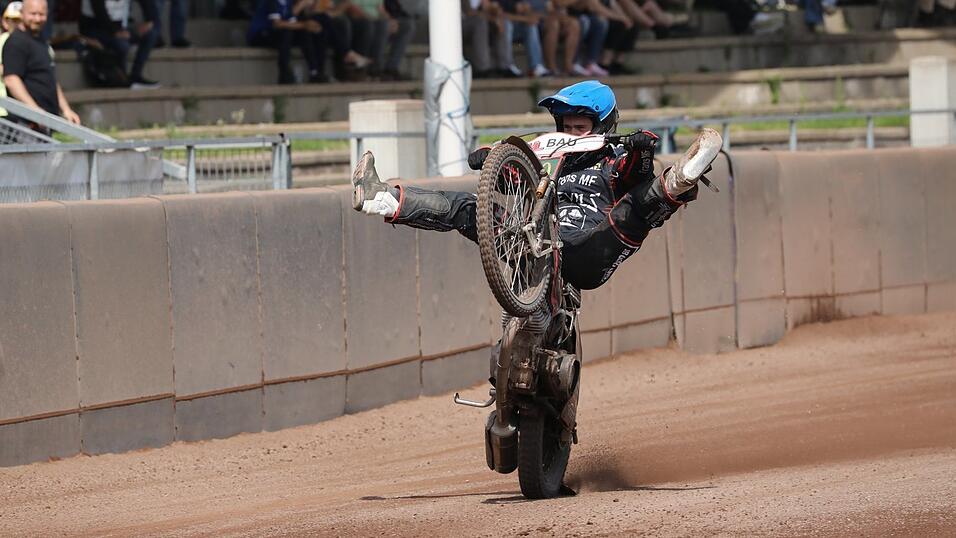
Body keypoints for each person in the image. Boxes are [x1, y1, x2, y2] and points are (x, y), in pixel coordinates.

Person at [349, 80, 723, 291]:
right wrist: (491, 159)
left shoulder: (615, 161)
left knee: (638, 205)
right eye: (567, 126)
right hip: (536, 243)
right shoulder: (545, 165)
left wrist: (640, 150)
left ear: (604, 126)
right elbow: (504, 172)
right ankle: (381, 197)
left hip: (592, 247)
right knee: (469, 207)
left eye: (582, 127)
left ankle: (683, 176)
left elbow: (637, 176)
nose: (572, 134)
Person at [2, 0, 81, 130]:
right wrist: (35, 112)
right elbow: (11, 80)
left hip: (45, 122)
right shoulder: (16, 42)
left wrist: (66, 110)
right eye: (33, 14)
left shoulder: (41, 41)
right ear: (22, 13)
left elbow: (49, 78)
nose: (37, 18)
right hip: (25, 124)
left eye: (41, 14)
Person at [78, 0, 161, 88]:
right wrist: (115, 32)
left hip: (118, 28)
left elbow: (147, 4)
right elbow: (99, 11)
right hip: (95, 28)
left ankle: (135, 75)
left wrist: (150, 21)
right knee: (122, 45)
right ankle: (122, 79)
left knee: (151, 34)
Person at [248, 0, 329, 84]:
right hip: (260, 35)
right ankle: (284, 72)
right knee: (288, 32)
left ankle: (314, 72)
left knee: (305, 33)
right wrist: (304, 24)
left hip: (278, 35)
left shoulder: (288, 2)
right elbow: (277, 24)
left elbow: (291, 21)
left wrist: (308, 24)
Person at [1, 1, 26, 119]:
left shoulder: (29, 42)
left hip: (20, 108)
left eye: (20, 20)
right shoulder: (3, 40)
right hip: (3, 108)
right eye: (14, 21)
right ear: (5, 22)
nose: (17, 25)